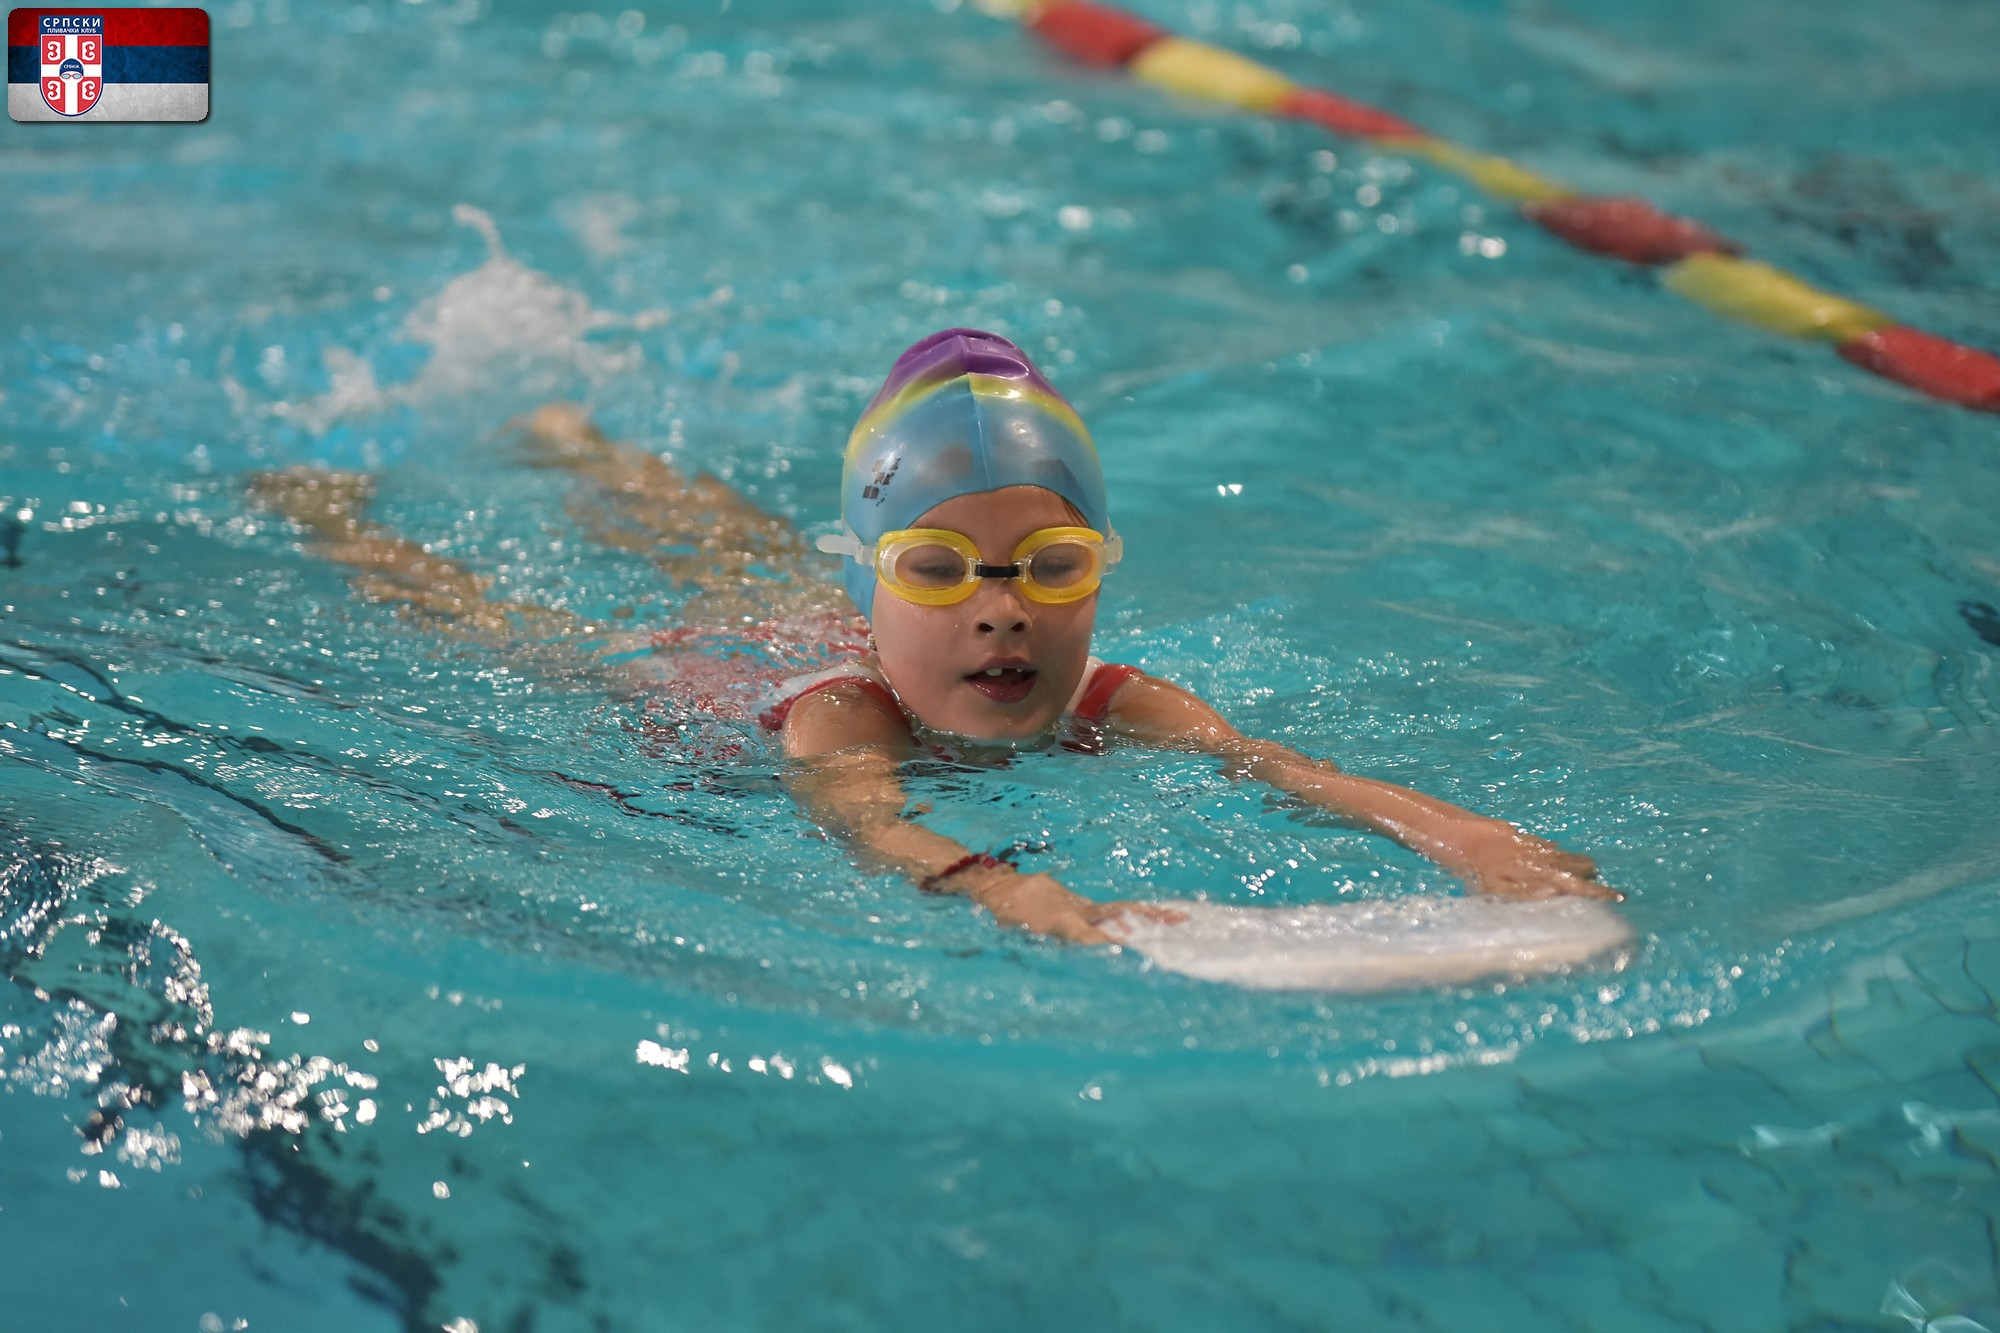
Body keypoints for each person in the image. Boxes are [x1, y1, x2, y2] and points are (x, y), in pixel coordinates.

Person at [252, 327, 1615, 950]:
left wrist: (1465, 837)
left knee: (737, 550)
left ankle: (580, 443)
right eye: (940, 570)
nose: (1001, 608)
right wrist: (999, 886)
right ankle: (339, 514)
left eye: (1052, 565)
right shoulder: (845, 714)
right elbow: (870, 826)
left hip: (813, 615)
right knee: (505, 627)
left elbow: (1282, 769)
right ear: (878, 589)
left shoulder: (1117, 698)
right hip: (701, 674)